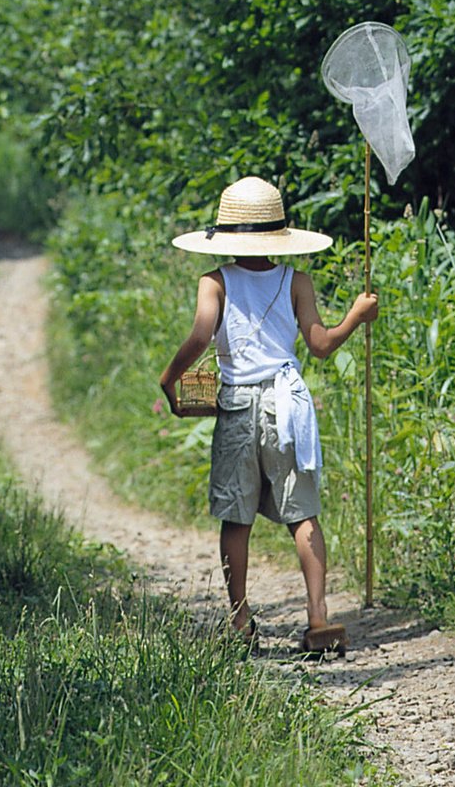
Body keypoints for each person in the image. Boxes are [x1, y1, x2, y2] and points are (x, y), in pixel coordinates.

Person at [158, 176, 377, 656]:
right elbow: (319, 346)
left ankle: (240, 621)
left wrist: (170, 378)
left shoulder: (214, 282)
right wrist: (355, 317)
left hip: (236, 403)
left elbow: (199, 338)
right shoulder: (296, 281)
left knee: (236, 518)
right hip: (286, 404)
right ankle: (318, 619)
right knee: (303, 512)